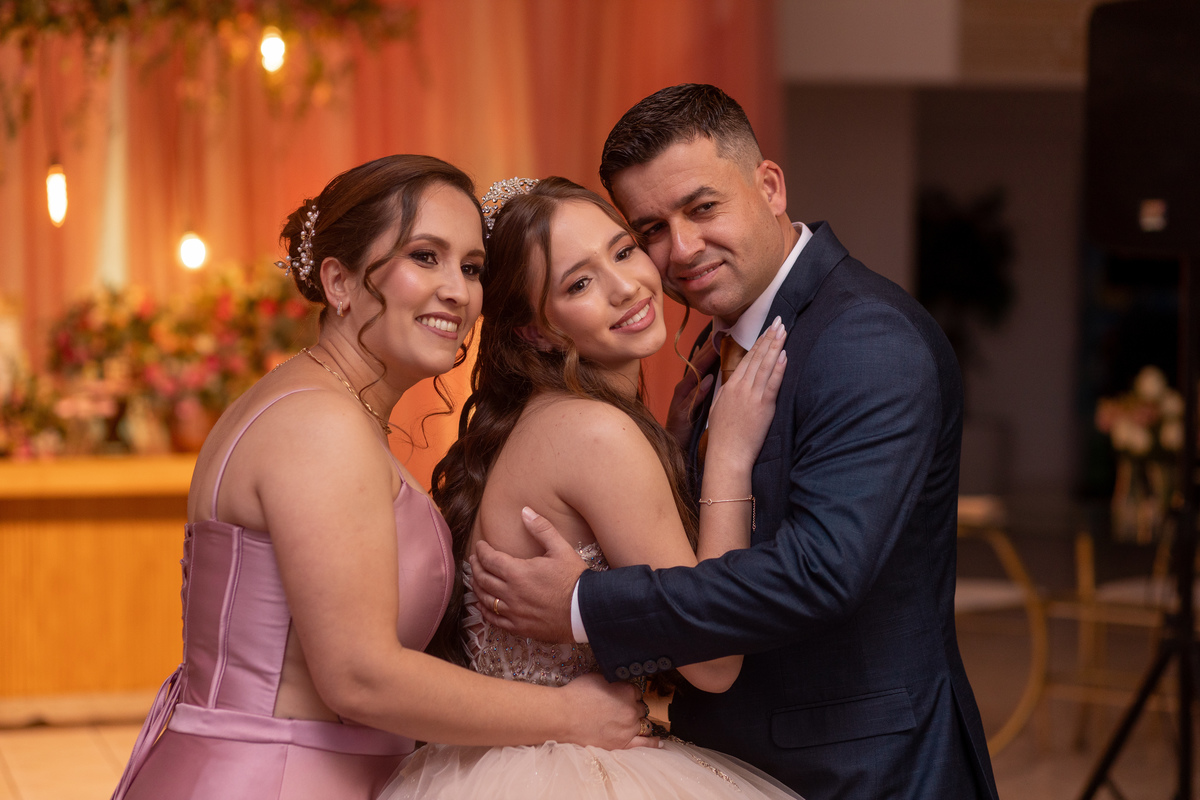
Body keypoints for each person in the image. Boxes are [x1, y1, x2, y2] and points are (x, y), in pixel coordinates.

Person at [469, 85, 1001, 799]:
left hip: (864, 770)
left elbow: (820, 571)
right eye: (651, 229)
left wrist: (584, 605)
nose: (681, 250)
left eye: (702, 208)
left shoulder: (865, 338)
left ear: (770, 186)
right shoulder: (713, 347)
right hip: (737, 758)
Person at [111, 155, 647, 800]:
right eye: (425, 256)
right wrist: (570, 715)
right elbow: (359, 676)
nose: (458, 291)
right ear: (338, 281)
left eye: (471, 267)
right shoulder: (320, 425)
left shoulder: (310, 402)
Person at [379, 177, 800, 799]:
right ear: (536, 331)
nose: (625, 286)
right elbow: (713, 662)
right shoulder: (595, 433)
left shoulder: (544, 417)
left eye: (624, 251)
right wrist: (729, 459)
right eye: (579, 283)